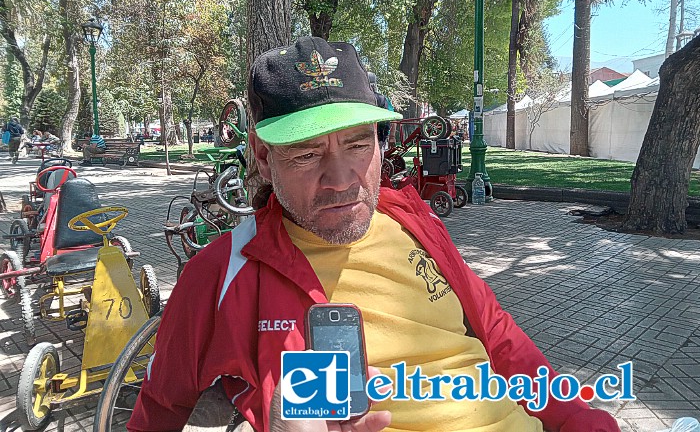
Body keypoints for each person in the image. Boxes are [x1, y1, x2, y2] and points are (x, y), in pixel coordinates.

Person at [129, 37, 619, 432]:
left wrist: (584, 420)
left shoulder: (414, 219)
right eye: (306, 154)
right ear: (262, 156)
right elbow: (157, 412)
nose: (341, 179)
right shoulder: (220, 276)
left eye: (358, 143)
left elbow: (498, 335)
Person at [367, 72, 396, 153]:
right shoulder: (382, 99)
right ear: (374, 85)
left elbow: (392, 119)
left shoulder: (356, 100)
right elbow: (392, 119)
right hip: (379, 137)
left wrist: (392, 137)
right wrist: (392, 137)